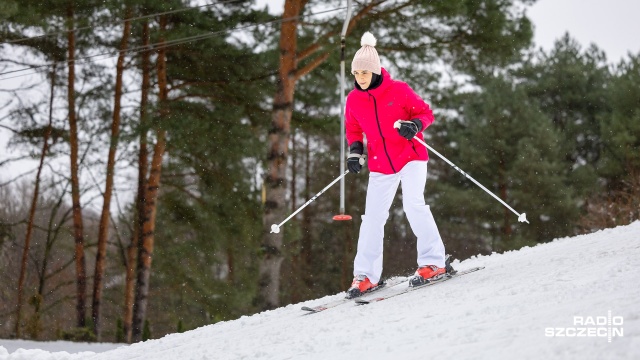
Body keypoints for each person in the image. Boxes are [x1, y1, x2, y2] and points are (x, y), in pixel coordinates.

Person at [344, 31, 447, 299]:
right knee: (372, 219)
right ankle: (366, 276)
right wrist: (355, 152)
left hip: (411, 155)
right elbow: (353, 129)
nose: (360, 78)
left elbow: (426, 113)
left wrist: (415, 125)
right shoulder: (353, 100)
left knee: (413, 204)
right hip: (380, 163)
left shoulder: (398, 90)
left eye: (364, 73)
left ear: (375, 71)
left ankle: (433, 262)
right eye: (356, 74)